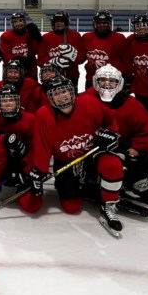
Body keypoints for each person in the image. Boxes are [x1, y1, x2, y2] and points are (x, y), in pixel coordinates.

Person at [30, 76, 124, 232]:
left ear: (71, 91)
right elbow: (42, 146)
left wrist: (111, 133)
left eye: (64, 91)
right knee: (71, 207)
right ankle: (84, 185)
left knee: (112, 165)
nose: (62, 96)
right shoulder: (43, 115)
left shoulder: (89, 103)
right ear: (50, 97)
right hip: (65, 161)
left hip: (92, 153)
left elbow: (110, 120)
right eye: (56, 93)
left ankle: (109, 204)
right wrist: (39, 170)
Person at [85, 64, 148, 216]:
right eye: (102, 80)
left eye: (112, 81)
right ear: (96, 81)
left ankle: (146, 186)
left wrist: (136, 148)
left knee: (137, 179)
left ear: (119, 83)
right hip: (99, 148)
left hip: (128, 148)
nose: (107, 84)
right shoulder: (86, 98)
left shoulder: (132, 104)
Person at [0, 84, 40, 212]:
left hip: (23, 159)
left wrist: (27, 170)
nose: (7, 103)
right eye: (3, 100)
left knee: (31, 206)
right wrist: (5, 140)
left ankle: (23, 180)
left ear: (17, 101)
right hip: (3, 158)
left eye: (11, 99)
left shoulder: (30, 119)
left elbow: (38, 147)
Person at [36, 11, 86, 90]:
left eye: (62, 21)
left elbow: (82, 58)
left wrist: (73, 56)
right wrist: (53, 61)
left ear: (66, 22)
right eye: (56, 21)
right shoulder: (46, 37)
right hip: (51, 76)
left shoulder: (75, 36)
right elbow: (40, 60)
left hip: (71, 76)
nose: (59, 23)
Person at [82, 10, 128, 89]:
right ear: (95, 24)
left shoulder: (119, 38)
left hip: (112, 82)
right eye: (99, 23)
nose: (102, 25)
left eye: (105, 23)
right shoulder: (86, 37)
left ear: (110, 24)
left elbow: (126, 60)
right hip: (91, 80)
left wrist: (127, 78)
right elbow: (81, 59)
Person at [0, 11, 43, 77]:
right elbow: (4, 55)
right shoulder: (6, 36)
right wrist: (19, 60)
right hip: (12, 73)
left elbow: (36, 51)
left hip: (30, 71)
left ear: (25, 22)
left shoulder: (30, 34)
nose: (18, 23)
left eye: (20, 21)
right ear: (12, 24)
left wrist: (38, 38)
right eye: (15, 22)